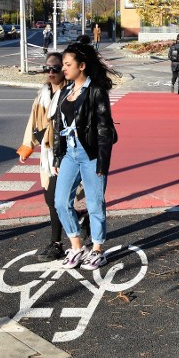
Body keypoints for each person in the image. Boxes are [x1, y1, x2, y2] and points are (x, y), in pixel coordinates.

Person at [52, 42, 118, 270]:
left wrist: (103, 161)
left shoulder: (96, 91)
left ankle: (98, 250)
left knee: (94, 203)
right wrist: (57, 157)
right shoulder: (65, 91)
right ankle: (77, 247)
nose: (64, 69)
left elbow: (104, 129)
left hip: (90, 154)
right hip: (70, 154)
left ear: (82, 66)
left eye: (68, 65)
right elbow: (57, 127)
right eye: (63, 65)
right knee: (61, 201)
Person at [17, 52, 66, 260]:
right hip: (47, 153)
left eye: (55, 68)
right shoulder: (42, 93)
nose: (51, 72)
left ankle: (56, 243)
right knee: (52, 198)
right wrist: (27, 146)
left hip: (64, 154)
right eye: (48, 68)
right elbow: (33, 122)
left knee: (54, 199)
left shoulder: (69, 93)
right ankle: (81, 220)